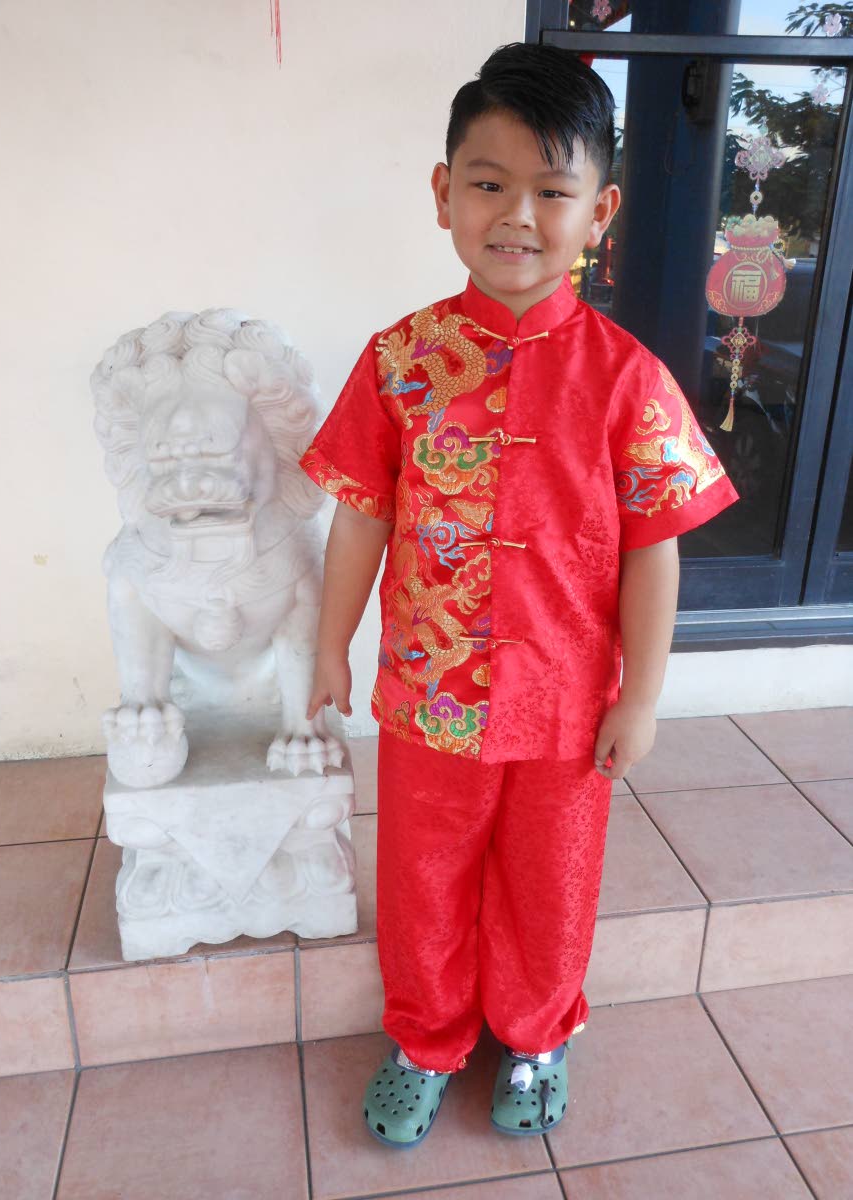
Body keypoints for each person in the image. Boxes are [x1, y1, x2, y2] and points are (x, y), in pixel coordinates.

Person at [299, 41, 738, 1148]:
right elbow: (362, 514)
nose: (518, 216)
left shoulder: (630, 377)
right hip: (429, 693)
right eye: (489, 183)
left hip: (566, 703)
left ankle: (537, 1033)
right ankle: (427, 1036)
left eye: (554, 190)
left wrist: (640, 698)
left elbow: (654, 547)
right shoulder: (399, 362)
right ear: (444, 193)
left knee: (550, 882)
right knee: (424, 875)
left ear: (603, 211)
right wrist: (327, 649)